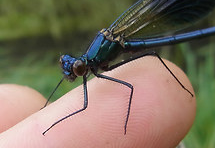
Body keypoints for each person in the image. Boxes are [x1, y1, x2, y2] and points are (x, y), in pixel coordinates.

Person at [0, 56, 196, 147]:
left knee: (145, 63)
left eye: (76, 69)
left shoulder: (90, 64)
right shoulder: (85, 64)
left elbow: (130, 88)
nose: (72, 73)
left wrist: (126, 125)